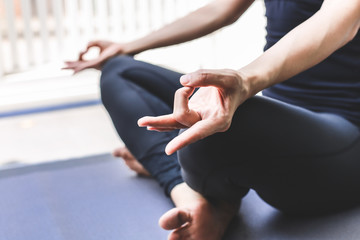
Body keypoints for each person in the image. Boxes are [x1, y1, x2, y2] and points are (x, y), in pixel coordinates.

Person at [64, 0, 360, 239]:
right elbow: (220, 9)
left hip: (345, 138)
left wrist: (245, 80)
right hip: (282, 120)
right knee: (121, 72)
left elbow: (338, 21)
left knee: (215, 124)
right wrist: (128, 46)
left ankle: (173, 165)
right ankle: (193, 200)